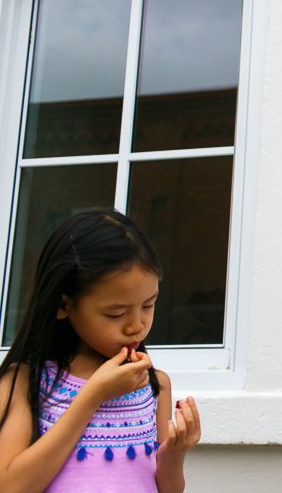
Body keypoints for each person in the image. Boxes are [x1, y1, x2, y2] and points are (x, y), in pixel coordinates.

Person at [0, 209, 202, 493]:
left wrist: (173, 456)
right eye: (116, 313)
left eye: (148, 305)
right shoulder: (25, 381)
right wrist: (92, 396)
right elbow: (10, 486)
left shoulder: (156, 385)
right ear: (63, 305)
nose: (136, 326)